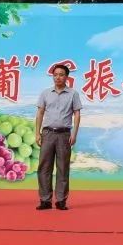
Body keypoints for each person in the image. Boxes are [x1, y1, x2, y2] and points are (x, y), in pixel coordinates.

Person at [34, 64, 82, 211]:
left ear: (66, 77)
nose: (58, 77)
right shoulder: (45, 93)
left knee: (63, 168)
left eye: (61, 74)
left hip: (64, 134)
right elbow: (40, 113)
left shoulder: (73, 94)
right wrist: (37, 133)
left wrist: (74, 134)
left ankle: (61, 200)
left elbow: (77, 114)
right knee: (44, 167)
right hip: (48, 133)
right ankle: (45, 200)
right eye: (55, 75)